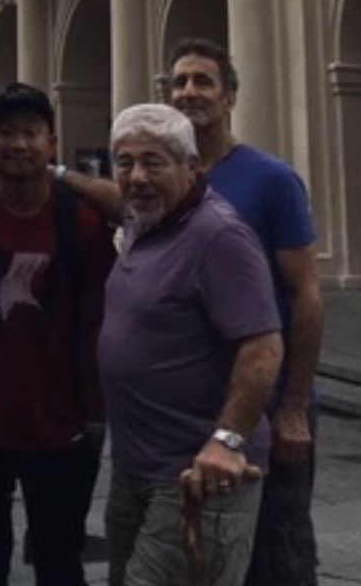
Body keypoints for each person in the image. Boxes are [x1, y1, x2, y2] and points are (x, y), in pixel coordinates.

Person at [62, 39, 323, 585]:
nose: (189, 92)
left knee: (279, 555)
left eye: (203, 81)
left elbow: (302, 297)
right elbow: (121, 196)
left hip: (250, 415)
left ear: (230, 98)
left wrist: (291, 409)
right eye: (179, 82)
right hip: (156, 454)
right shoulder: (151, 205)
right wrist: (56, 173)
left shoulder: (259, 189)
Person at [99, 104, 284, 586]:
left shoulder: (220, 236)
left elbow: (262, 347)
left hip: (199, 474)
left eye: (154, 162)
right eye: (124, 162)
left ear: (191, 167)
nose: (137, 176)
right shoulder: (144, 221)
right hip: (136, 468)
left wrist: (227, 441)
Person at [0, 84, 115, 586]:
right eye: (4, 132)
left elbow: (100, 312)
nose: (17, 143)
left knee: (59, 557)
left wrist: (96, 410)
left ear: (52, 142)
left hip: (61, 422)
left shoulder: (79, 217)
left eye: (29, 132)